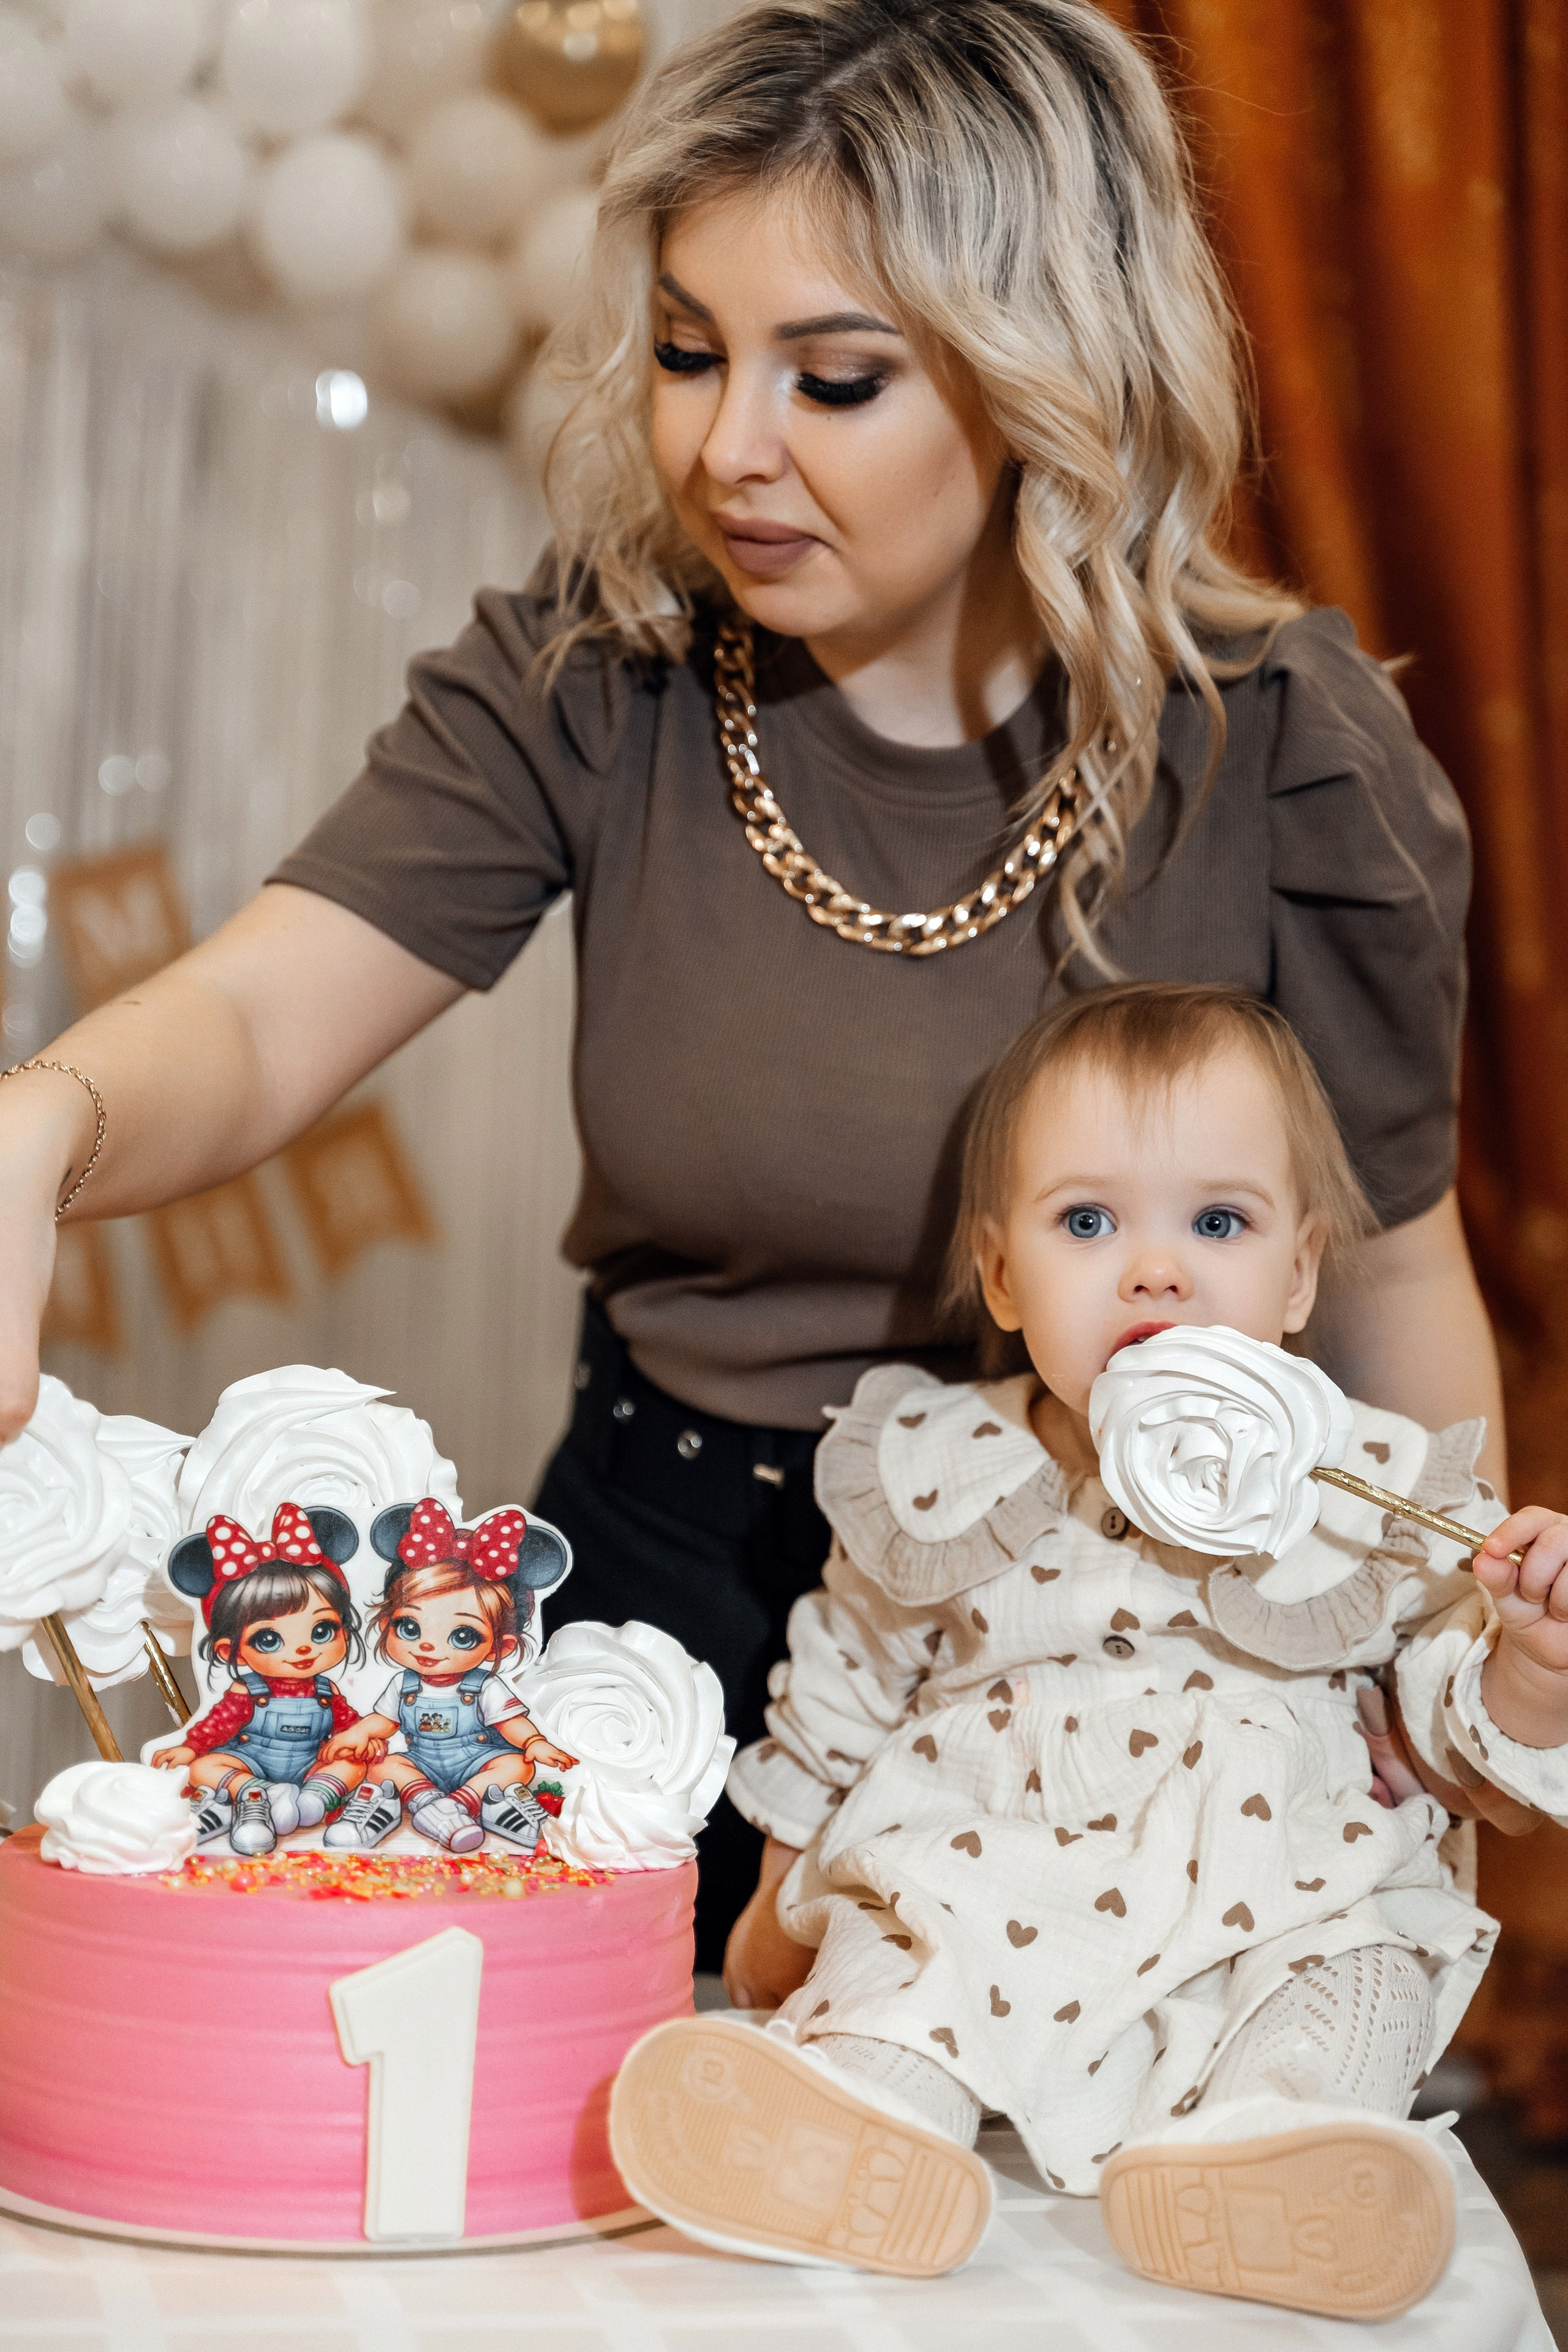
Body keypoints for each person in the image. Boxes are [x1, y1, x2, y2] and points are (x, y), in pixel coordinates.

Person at [0, 1, 1502, 1962]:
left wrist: (1435, 1701)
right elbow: (270, 1011)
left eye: (836, 376)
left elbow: (1387, 1274)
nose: (727, 448)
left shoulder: (1285, 745)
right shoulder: (598, 665)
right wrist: (51, 1118)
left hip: (1120, 1642)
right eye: (693, 352)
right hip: (656, 1596)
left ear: (1041, 368)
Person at [608, 982, 1568, 2321]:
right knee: (904, 1950)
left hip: (1275, 1873)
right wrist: (778, 1908)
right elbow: (839, 1683)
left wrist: (1530, 1657)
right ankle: (861, 2124)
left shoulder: (1362, 1487)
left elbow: (1450, 1708)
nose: (1154, 1270)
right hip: (994, 1856)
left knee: (1354, 1973)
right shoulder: (949, 1470)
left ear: (1296, 1277)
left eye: (1216, 1222)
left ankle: (1265, 2159)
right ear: (1002, 1274)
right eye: (1086, 1222)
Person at [321, 1498, 576, 1853]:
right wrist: (357, 1734)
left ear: (496, 1647)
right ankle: (427, 1801)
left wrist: (534, 1743)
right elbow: (383, 1721)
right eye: (410, 1627)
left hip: (479, 1763)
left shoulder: (484, 1686)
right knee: (382, 1765)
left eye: (462, 1636)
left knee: (517, 1765)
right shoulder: (403, 1685)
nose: (428, 1647)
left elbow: (510, 1724)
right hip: (422, 1764)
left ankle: (465, 1805)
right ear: (385, 1625)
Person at [151, 1504, 368, 1856]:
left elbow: (347, 1724)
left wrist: (360, 1740)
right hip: (251, 1762)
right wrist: (191, 1747)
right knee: (204, 1767)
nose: (302, 1649)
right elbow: (217, 1726)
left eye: (322, 1630)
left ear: (344, 1629)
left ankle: (316, 1799)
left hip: (311, 1765)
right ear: (230, 1652)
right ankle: (257, 1795)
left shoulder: (327, 1691)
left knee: (354, 1764)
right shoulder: (247, 1690)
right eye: (269, 1639)